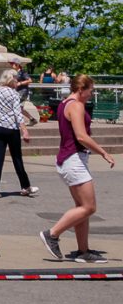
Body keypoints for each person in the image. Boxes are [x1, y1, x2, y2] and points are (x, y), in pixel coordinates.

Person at [39, 75, 116, 264]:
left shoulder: (66, 103)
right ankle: (52, 234)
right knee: (89, 207)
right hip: (74, 159)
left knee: (82, 208)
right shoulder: (76, 105)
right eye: (91, 90)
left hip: (70, 159)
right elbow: (81, 136)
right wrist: (103, 152)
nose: (92, 94)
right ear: (82, 89)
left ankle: (83, 251)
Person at [0, 71, 37, 200]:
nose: (17, 82)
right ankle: (25, 186)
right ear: (11, 80)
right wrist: (25, 130)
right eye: (16, 80)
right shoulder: (14, 94)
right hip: (11, 128)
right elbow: (17, 113)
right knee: (17, 158)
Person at [8, 57, 38, 125]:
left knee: (15, 106)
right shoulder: (15, 73)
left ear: (17, 64)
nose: (11, 65)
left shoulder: (22, 72)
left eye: (12, 64)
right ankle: (32, 119)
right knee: (19, 108)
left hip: (22, 92)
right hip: (18, 92)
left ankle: (16, 122)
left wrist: (20, 83)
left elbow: (30, 80)